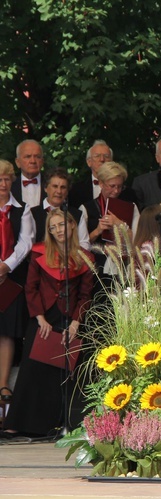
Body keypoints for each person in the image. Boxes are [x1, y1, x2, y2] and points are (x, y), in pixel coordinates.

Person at [1, 209, 94, 438]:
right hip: (42, 318)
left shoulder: (85, 257)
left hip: (68, 319)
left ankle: (54, 425)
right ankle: (18, 424)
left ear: (72, 225)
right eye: (52, 228)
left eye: (61, 225)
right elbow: (30, 288)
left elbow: (85, 295)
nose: (58, 231)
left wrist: (75, 323)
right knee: (31, 371)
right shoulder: (39, 252)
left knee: (59, 373)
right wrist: (40, 317)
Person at [0, 160, 34, 405]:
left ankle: (3, 385)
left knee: (8, 333)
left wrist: (5, 266)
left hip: (11, 280)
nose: (3, 184)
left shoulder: (22, 209)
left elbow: (26, 243)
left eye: (7, 179)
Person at [79, 161, 140, 278]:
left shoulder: (131, 207)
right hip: (96, 268)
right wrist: (97, 231)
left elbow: (137, 240)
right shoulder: (86, 208)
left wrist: (119, 224)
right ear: (101, 183)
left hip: (125, 266)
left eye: (120, 186)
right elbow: (81, 245)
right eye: (112, 186)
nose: (116, 191)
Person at [30, 169, 90, 250]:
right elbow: (29, 244)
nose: (59, 191)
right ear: (45, 188)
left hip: (70, 260)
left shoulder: (77, 214)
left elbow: (84, 244)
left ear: (67, 191)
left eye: (63, 187)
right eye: (55, 186)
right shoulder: (32, 213)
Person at [12, 139, 44, 208]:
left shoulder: (52, 185)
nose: (33, 161)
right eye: (28, 156)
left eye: (37, 157)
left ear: (42, 161)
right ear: (18, 162)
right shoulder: (9, 186)